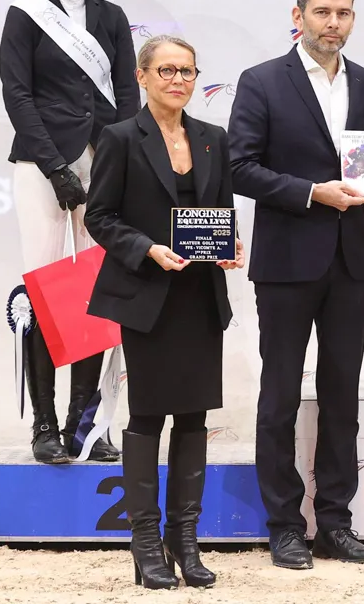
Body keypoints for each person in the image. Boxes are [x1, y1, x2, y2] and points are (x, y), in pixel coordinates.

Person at [229, 0, 364, 570]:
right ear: (299, 16)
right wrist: (311, 192)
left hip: (352, 262)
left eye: (343, 13)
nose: (333, 24)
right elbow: (240, 167)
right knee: (279, 397)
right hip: (287, 262)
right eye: (322, 12)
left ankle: (336, 523)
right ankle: (284, 526)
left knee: (342, 395)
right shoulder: (262, 81)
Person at [85, 34, 246, 590]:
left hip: (200, 296)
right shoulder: (119, 137)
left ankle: (185, 539)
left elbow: (220, 210)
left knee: (195, 417)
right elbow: (99, 217)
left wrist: (228, 246)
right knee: (149, 416)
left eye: (188, 71)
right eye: (167, 70)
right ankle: (146, 543)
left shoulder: (213, 138)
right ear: (143, 76)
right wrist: (146, 249)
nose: (178, 80)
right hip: (147, 297)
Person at [0, 0, 138, 464]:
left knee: (95, 289)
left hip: (103, 161)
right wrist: (56, 167)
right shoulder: (25, 14)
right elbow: (17, 94)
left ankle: (86, 424)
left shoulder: (112, 16)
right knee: (44, 287)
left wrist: (121, 163)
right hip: (41, 164)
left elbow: (127, 97)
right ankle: (44, 426)